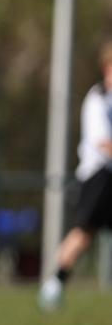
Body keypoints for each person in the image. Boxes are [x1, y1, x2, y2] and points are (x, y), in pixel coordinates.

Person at [39, 40, 112, 311]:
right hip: (98, 176)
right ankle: (54, 284)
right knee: (84, 232)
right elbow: (102, 141)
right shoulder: (98, 98)